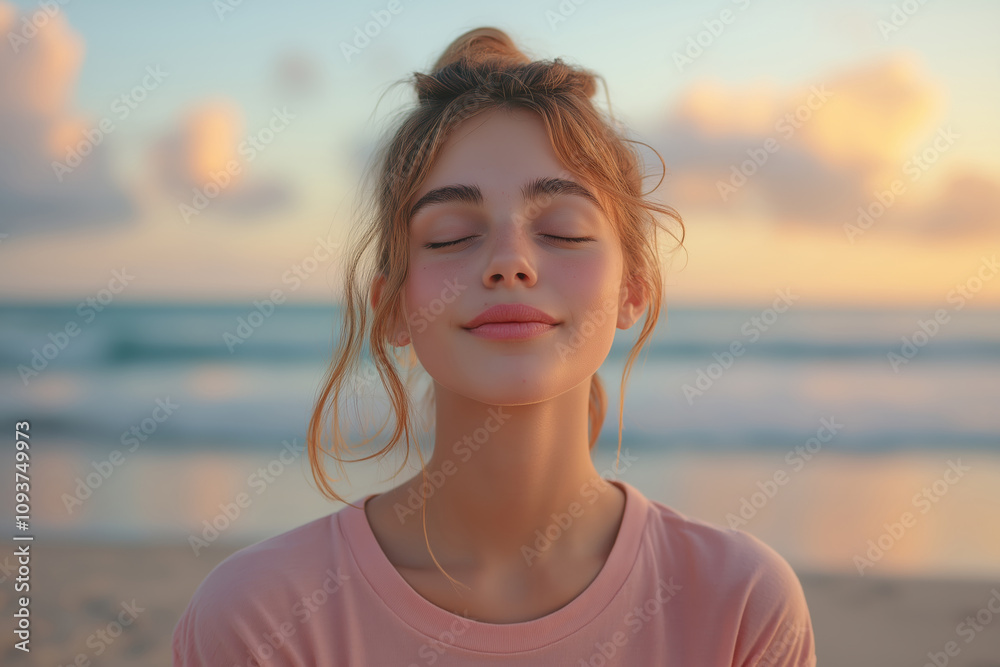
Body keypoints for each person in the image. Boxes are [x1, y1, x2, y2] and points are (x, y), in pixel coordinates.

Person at [172, 26, 817, 666]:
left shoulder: (739, 604)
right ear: (393, 305)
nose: (510, 262)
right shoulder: (259, 617)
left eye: (563, 230)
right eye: (451, 235)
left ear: (633, 289)